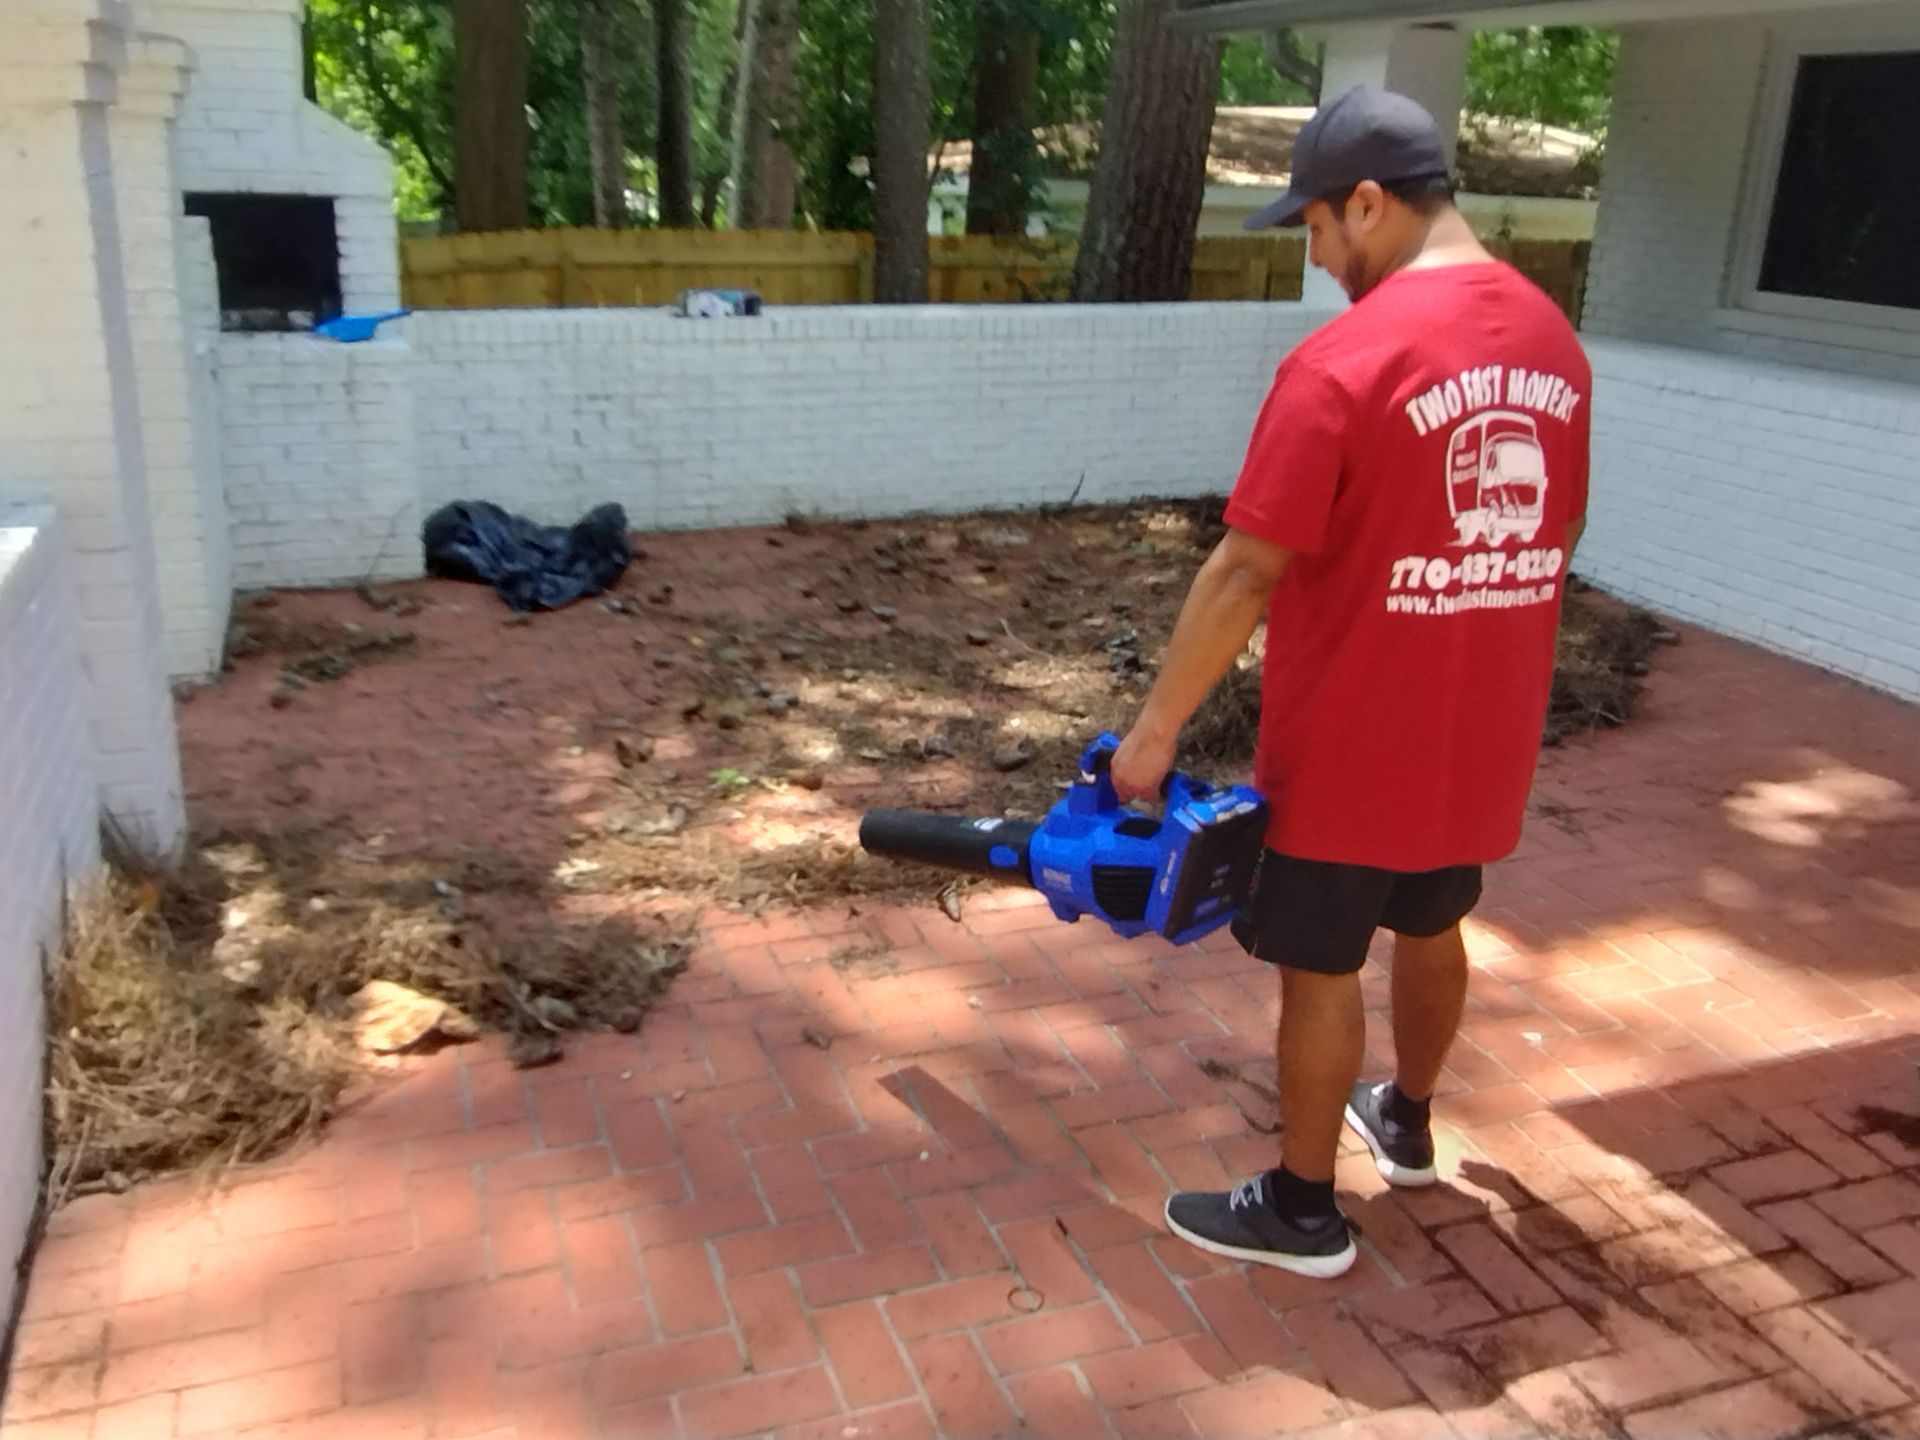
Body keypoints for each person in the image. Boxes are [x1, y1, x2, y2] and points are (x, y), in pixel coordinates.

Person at [1109, 85, 1592, 1278]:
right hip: (1475, 729)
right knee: (1437, 921)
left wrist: (1154, 732)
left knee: (1318, 963)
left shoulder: (1342, 363)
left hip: (1351, 738)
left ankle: (1303, 1210)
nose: (1319, 260)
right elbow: (1552, 542)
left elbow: (1243, 572)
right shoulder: (1556, 346)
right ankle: (1410, 1122)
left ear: (1368, 203)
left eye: (1318, 229)